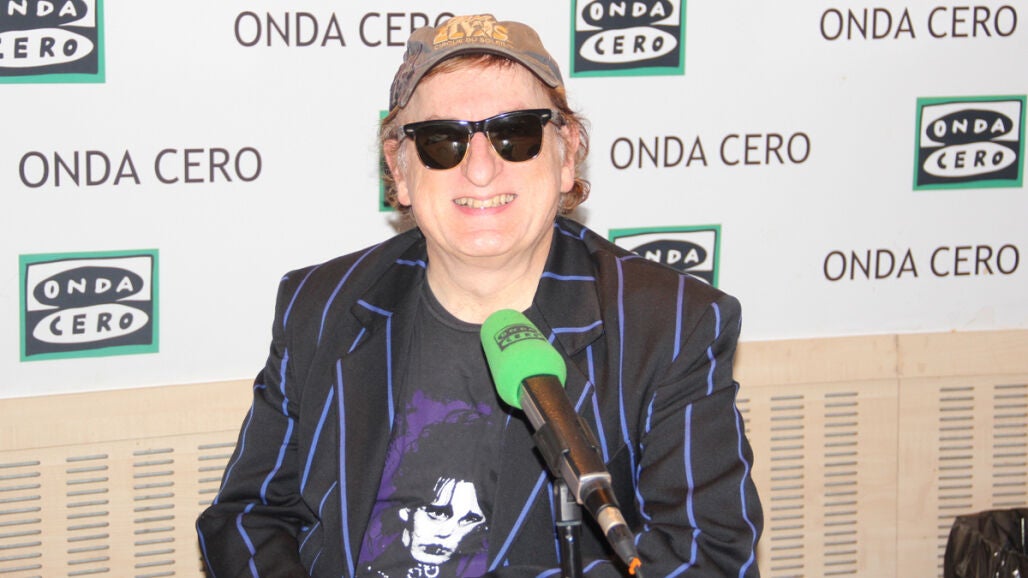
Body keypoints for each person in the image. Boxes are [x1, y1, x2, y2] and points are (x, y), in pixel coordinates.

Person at [197, 13, 763, 578]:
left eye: (515, 133)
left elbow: (708, 558)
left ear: (567, 154)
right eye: (441, 141)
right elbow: (248, 518)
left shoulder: (670, 325)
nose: (481, 170)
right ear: (399, 169)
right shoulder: (320, 304)